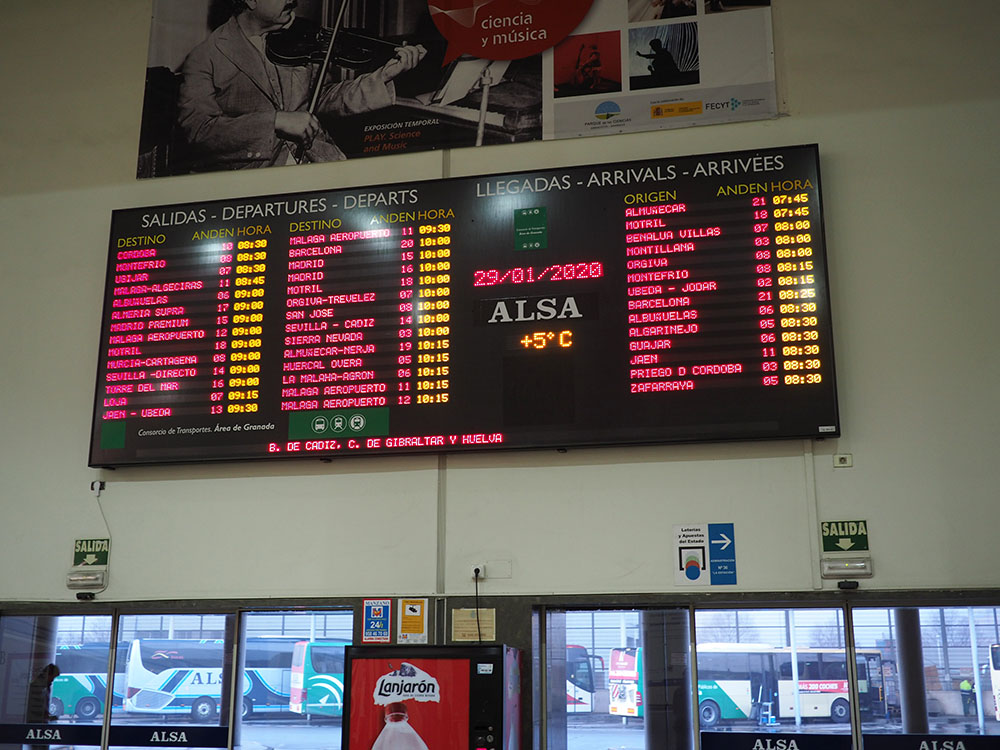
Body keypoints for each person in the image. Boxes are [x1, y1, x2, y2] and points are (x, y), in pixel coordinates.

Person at [177, 0, 426, 170]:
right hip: (256, 178)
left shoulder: (298, 38)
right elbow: (198, 132)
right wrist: (276, 120)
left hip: (321, 160)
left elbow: (325, 97)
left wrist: (381, 77)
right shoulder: (205, 56)